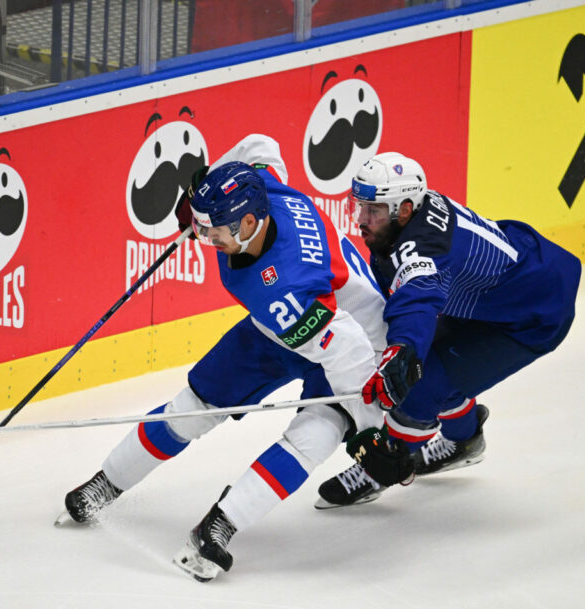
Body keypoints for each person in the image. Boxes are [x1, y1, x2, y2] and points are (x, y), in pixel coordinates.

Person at [61, 135, 389, 582]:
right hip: (287, 324)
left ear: (249, 224)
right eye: (201, 227)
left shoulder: (285, 287)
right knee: (192, 409)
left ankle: (221, 525)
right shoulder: (263, 189)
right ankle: (107, 482)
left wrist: (370, 429)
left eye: (212, 231)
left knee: (314, 435)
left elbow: (347, 351)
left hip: (349, 337)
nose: (204, 237)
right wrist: (200, 196)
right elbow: (260, 146)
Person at [316, 152, 582, 508]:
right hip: (497, 292)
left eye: (373, 211)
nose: (361, 219)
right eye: (360, 207)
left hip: (531, 314)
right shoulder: (408, 218)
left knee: (421, 387)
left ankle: (382, 468)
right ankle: (465, 440)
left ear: (405, 210)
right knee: (440, 368)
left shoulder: (421, 249)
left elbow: (417, 296)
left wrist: (403, 347)